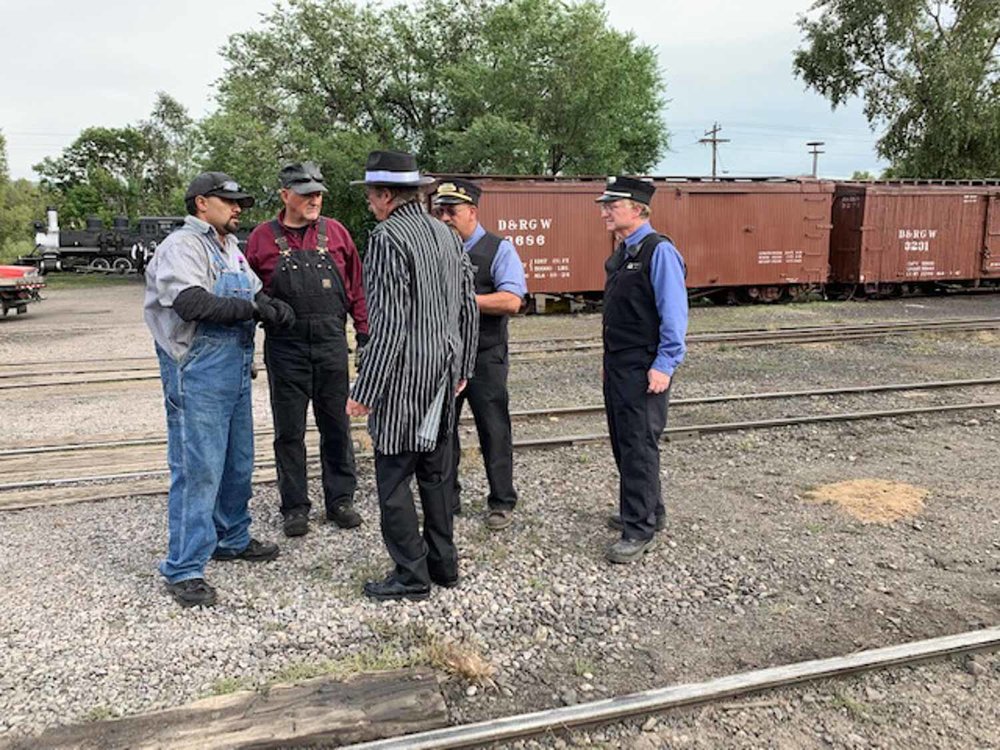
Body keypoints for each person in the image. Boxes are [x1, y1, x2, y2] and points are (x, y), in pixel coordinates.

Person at [144, 172, 294, 607]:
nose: (238, 209)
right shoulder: (183, 247)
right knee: (198, 469)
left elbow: (253, 292)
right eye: (228, 202)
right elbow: (192, 303)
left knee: (237, 461)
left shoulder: (230, 249)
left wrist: (271, 307)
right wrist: (251, 307)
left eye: (240, 202)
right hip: (198, 370)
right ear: (200, 203)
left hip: (234, 368)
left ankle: (231, 537)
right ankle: (184, 568)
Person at [346, 150, 478, 602]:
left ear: (386, 195)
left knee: (394, 478)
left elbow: (388, 325)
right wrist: (464, 366)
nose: (368, 203)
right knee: (437, 473)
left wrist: (365, 389)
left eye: (370, 195)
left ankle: (410, 575)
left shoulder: (386, 238)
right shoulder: (447, 234)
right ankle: (443, 564)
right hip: (443, 374)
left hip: (404, 381)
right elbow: (467, 309)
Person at [246, 162, 369, 538]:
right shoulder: (261, 239)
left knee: (336, 425)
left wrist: (364, 334)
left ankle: (340, 500)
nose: (314, 199)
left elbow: (357, 288)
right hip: (286, 348)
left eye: (318, 193)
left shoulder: (336, 233)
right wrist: (248, 345)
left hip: (332, 343)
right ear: (285, 195)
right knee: (289, 431)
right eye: (305, 193)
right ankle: (295, 507)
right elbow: (246, 293)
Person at [596, 176, 688, 564]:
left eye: (612, 206)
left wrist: (665, 364)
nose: (604, 212)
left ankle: (639, 527)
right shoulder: (622, 251)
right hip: (619, 364)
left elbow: (674, 314)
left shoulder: (658, 251)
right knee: (625, 442)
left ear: (637, 209)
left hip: (644, 366)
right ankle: (650, 508)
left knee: (638, 445)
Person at [431, 179, 525, 531]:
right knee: (442, 432)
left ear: (472, 211)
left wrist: (464, 301)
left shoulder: (499, 249)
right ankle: (446, 498)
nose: (445, 218)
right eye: (439, 211)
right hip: (444, 357)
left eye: (451, 211)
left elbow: (511, 300)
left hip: (485, 357)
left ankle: (501, 501)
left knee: (494, 430)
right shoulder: (436, 250)